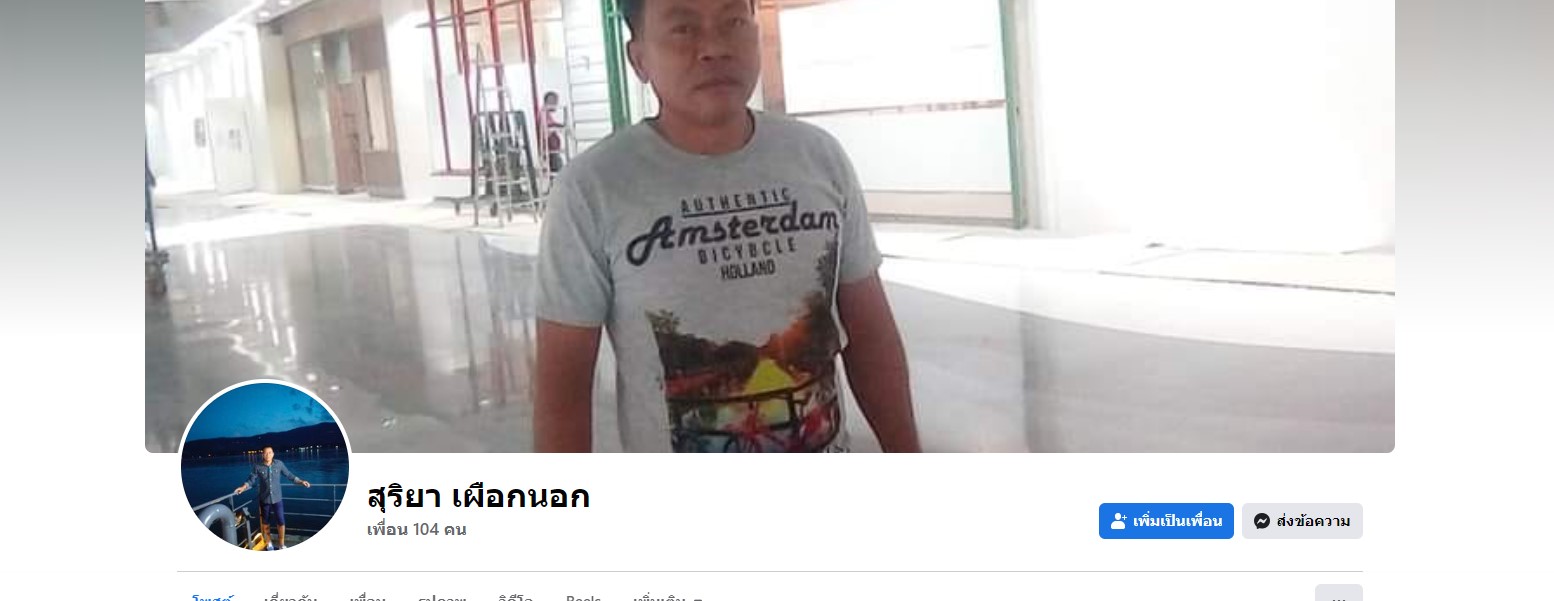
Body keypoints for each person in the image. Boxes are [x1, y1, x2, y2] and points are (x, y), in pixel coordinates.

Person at [534, 0, 920, 452]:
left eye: (733, 21)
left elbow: (871, 338)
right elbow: (562, 390)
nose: (714, 47)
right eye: (683, 28)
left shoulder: (818, 159)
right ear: (639, 59)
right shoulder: (593, 189)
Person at [232, 446, 311, 549]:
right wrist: (243, 487)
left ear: (273, 454)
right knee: (265, 522)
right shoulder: (257, 466)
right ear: (262, 454)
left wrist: (301, 481)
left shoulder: (279, 464)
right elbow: (251, 480)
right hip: (264, 499)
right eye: (265, 453)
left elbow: (289, 475)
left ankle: (281, 544)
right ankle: (269, 543)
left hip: (277, 499)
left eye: (270, 452)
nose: (268, 455)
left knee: (281, 522)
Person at [543, 91, 568, 175]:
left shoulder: (546, 114)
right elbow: (549, 125)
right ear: (549, 100)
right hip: (551, 150)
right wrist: (561, 125)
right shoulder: (543, 113)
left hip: (553, 150)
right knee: (559, 173)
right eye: (555, 102)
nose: (556, 105)